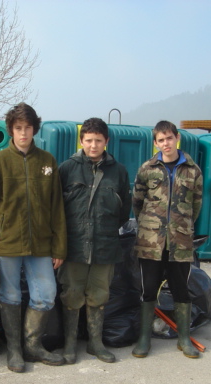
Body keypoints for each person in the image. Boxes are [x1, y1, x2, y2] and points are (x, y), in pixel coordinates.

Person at [0, 102, 67, 373]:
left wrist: (59, 247)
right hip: (8, 243)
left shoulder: (47, 161)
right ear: (11, 130)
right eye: (18, 128)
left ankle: (33, 346)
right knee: (10, 295)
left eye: (28, 127)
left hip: (41, 243)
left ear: (34, 129)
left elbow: (57, 208)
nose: (23, 133)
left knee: (46, 295)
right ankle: (14, 350)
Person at [57, 118, 131, 364]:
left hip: (105, 246)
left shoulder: (119, 171)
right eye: (88, 140)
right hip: (74, 246)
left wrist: (105, 231)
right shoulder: (67, 169)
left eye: (98, 140)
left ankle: (95, 343)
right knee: (71, 294)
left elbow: (124, 211)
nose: (93, 145)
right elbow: (55, 209)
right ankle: (69, 343)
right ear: (81, 141)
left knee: (99, 294)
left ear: (106, 141)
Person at [132, 120, 203, 359]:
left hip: (180, 241)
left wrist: (180, 225)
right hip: (151, 241)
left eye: (169, 138)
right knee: (148, 289)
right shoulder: (147, 168)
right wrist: (151, 225)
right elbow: (137, 203)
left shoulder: (193, 170)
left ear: (177, 138)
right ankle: (144, 339)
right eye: (161, 140)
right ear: (155, 143)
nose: (166, 143)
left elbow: (196, 205)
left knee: (181, 289)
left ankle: (183, 339)